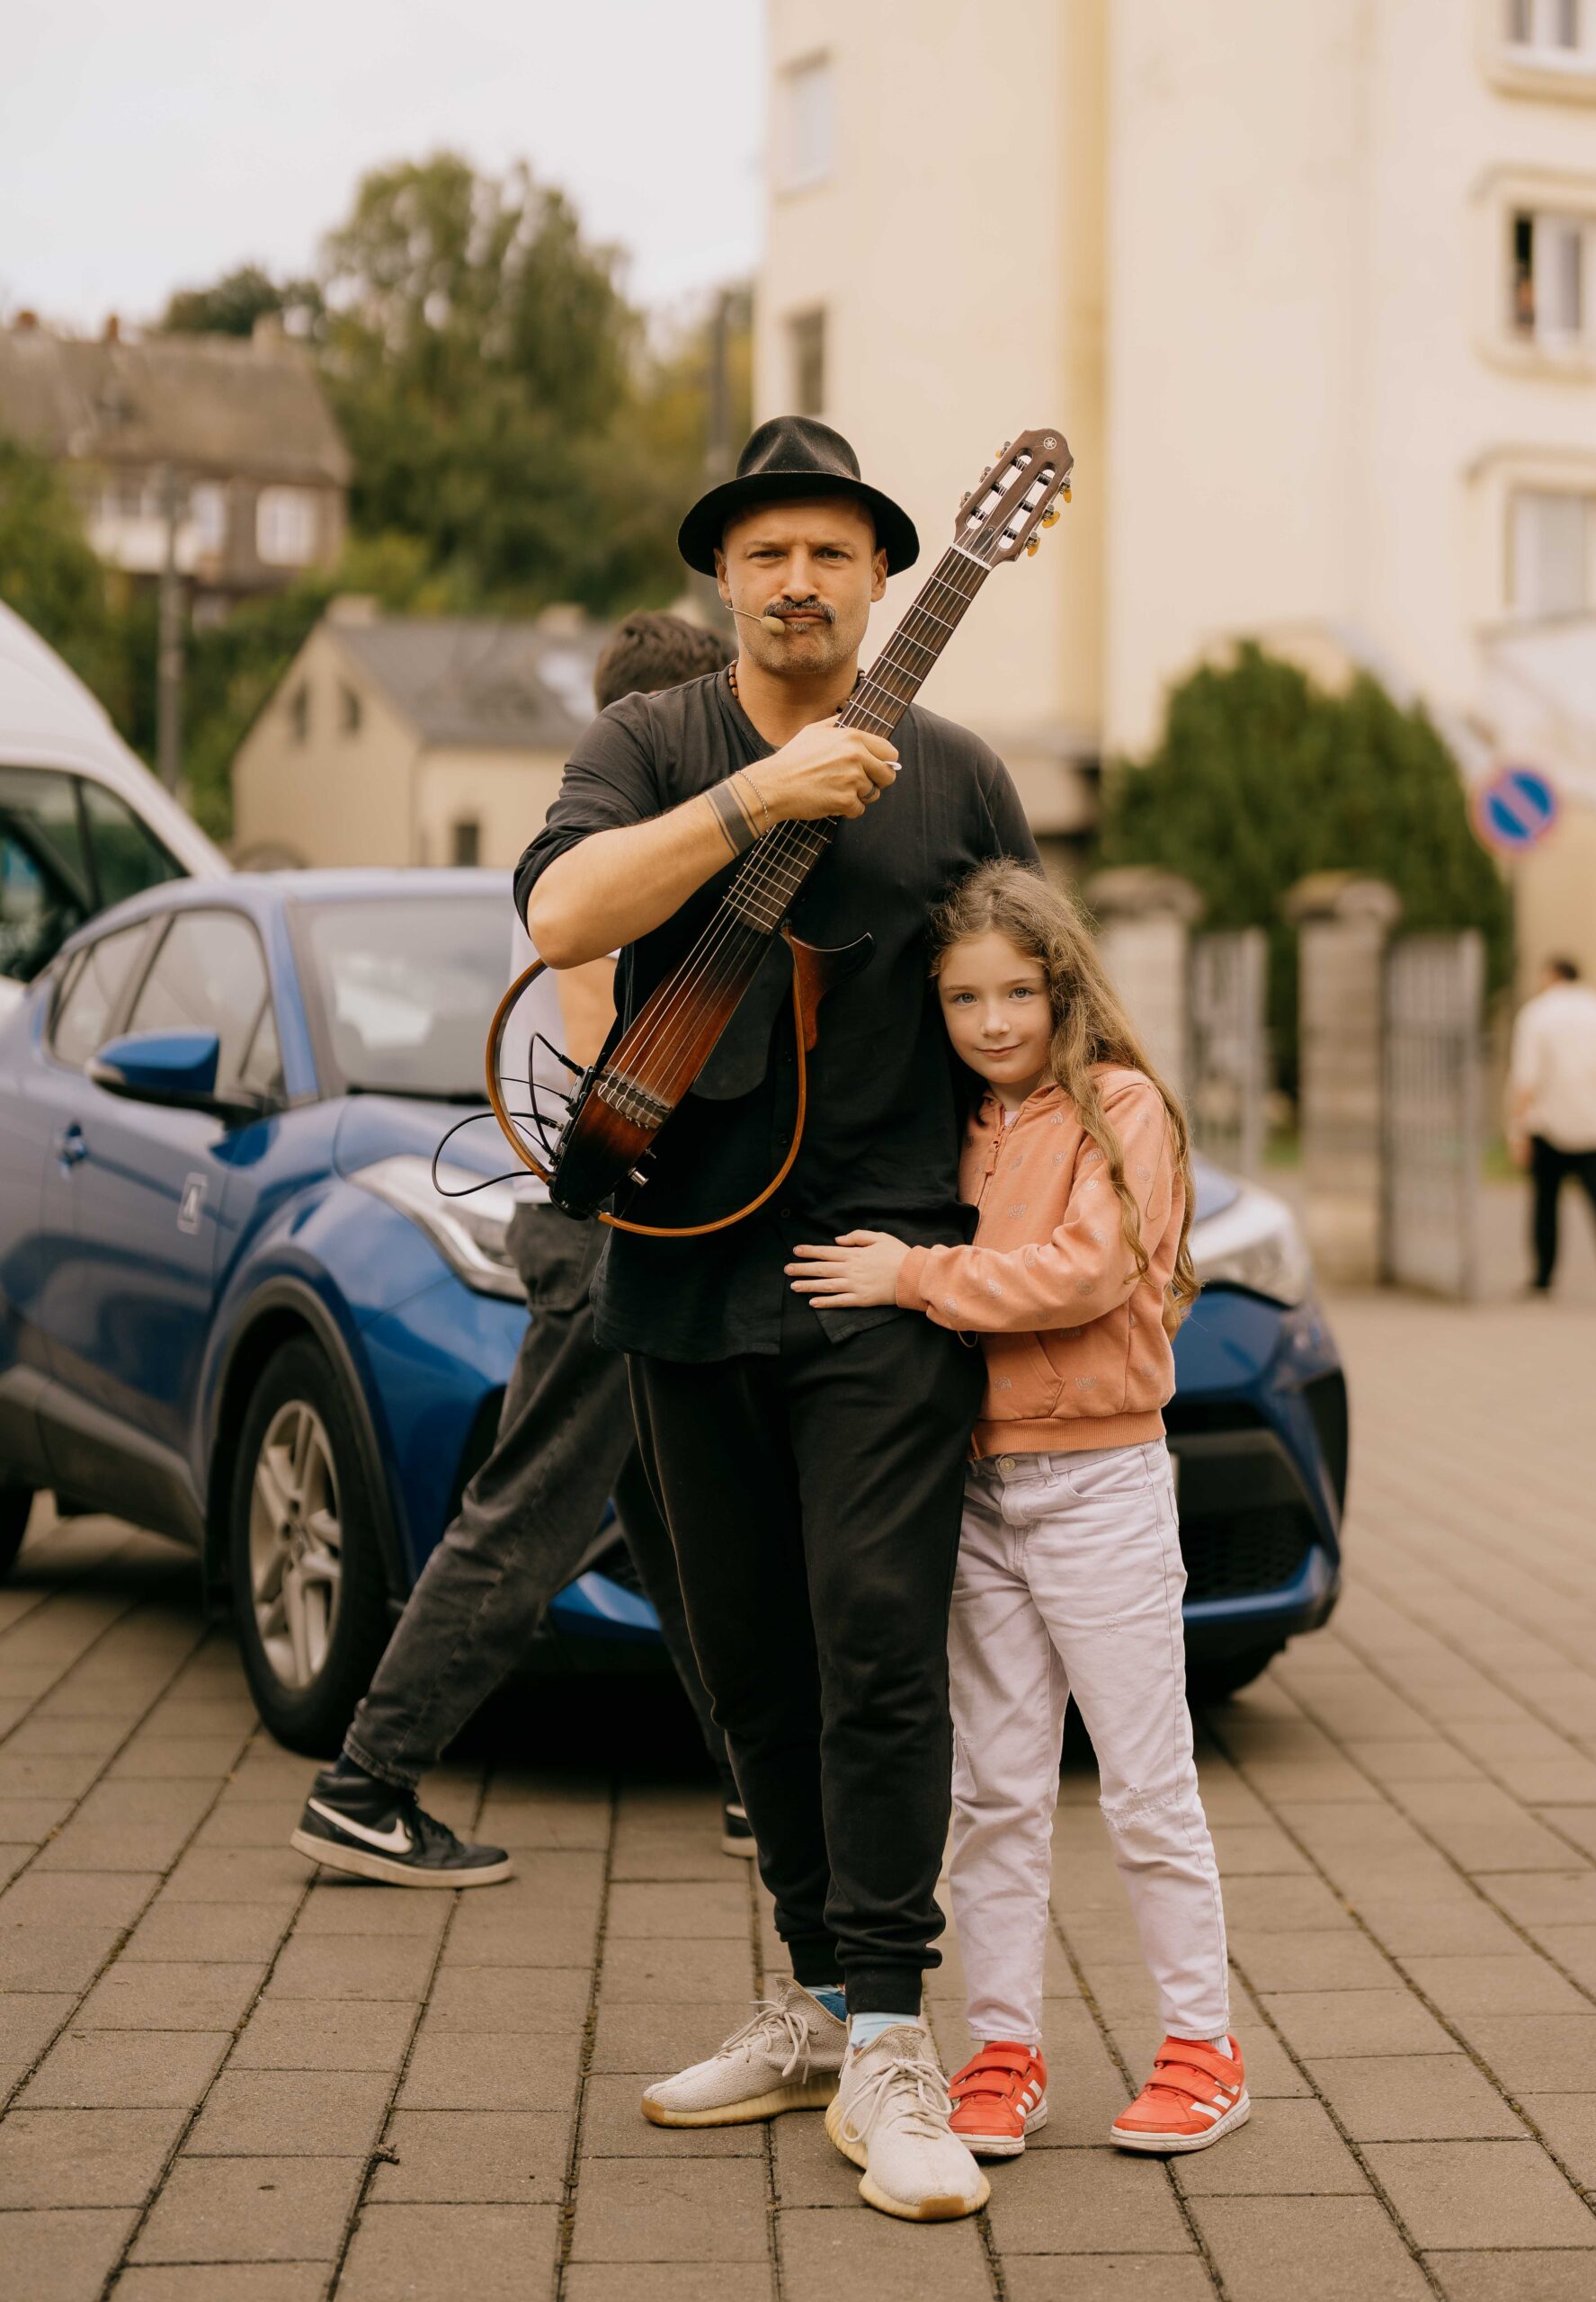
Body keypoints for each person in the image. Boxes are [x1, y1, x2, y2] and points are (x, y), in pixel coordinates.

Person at [518, 416, 1039, 2223]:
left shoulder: (961, 771)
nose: (800, 580)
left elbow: (1028, 1010)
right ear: (722, 579)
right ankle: (816, 1995)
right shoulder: (652, 742)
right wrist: (756, 800)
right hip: (680, 1262)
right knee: (745, 1660)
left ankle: (898, 2030)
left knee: (879, 1636)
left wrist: (1078, 1210)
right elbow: (565, 906)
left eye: (831, 551)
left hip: (882, 1274)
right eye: (767, 554)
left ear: (888, 572)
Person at [790, 859, 1246, 2163]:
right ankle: (1001, 2052)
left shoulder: (1121, 1108)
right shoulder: (961, 1125)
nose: (993, 1023)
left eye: (1017, 993)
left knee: (1146, 1788)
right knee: (993, 1793)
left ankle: (1203, 2049)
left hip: (1100, 1486)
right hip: (981, 1491)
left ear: (1065, 987)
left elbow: (1086, 1274)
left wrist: (913, 1276)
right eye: (962, 1000)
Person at [291, 611, 747, 1890]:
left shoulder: (590, 844)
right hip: (613, 1224)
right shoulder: (610, 849)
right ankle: (366, 1784)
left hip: (596, 1222)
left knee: (678, 1513)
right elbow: (601, 1025)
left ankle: (761, 1785)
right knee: (532, 1507)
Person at [1506, 956, 1596, 1309]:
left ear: (1550, 976)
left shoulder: (1538, 1013)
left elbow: (1526, 1078)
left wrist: (1517, 1131)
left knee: (1546, 1204)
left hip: (1552, 1125)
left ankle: (1543, 1278)